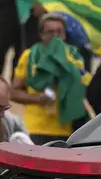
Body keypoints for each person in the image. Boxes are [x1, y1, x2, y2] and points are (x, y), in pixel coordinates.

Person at [12, 13, 91, 144]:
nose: (55, 36)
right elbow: (13, 92)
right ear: (42, 35)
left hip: (65, 130)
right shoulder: (30, 56)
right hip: (35, 128)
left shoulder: (74, 57)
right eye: (50, 32)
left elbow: (81, 86)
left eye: (59, 32)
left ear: (64, 35)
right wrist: (38, 99)